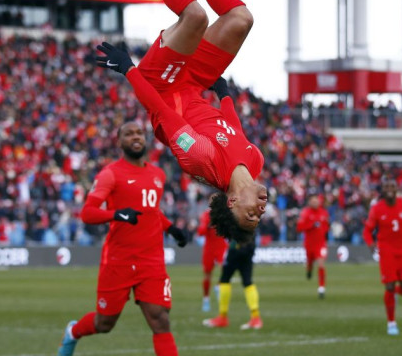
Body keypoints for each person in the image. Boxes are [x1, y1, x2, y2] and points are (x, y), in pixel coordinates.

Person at [94, 0, 267, 244]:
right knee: (241, 19)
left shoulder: (200, 160)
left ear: (231, 202)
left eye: (250, 215)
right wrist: (225, 94)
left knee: (195, 17)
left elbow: (160, 111)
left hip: (161, 83)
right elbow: (234, 129)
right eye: (258, 217)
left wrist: (128, 68)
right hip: (197, 83)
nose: (259, 212)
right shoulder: (255, 161)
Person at [57, 122, 187, 356]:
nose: (135, 137)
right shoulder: (110, 174)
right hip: (119, 260)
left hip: (151, 260)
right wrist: (116, 214)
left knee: (160, 320)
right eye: (128, 134)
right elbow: (88, 212)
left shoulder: (157, 174)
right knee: (104, 323)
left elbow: (151, 210)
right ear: (119, 142)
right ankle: (73, 332)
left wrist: (171, 229)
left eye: (139, 133)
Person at [363, 176, 402, 336]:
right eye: (386, 186)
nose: (389, 189)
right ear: (382, 190)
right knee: (388, 285)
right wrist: (370, 243)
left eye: (392, 186)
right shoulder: (377, 209)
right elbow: (367, 230)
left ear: (396, 189)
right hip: (386, 251)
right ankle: (391, 323)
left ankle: (393, 294)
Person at [201, 238, 262, 330]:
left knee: (225, 279)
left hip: (236, 248)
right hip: (248, 248)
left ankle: (223, 317)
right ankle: (255, 317)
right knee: (247, 282)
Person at [197, 200, 228, 312]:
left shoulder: (224, 214)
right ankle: (206, 300)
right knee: (207, 275)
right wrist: (207, 226)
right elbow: (200, 232)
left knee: (226, 270)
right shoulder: (206, 215)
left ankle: (218, 287)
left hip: (221, 246)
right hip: (209, 248)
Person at [296, 193, 330, 299]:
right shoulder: (305, 213)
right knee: (310, 263)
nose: (315, 202)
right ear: (309, 202)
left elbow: (326, 226)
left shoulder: (324, 213)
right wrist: (311, 225)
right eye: (313, 201)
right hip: (309, 244)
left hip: (321, 244)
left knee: (321, 264)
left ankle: (321, 288)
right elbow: (299, 227)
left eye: (317, 200)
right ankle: (309, 270)